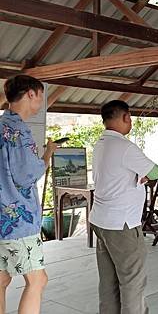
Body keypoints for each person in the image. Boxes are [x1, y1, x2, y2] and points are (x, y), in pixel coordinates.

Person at [90, 100, 158, 314]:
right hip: (122, 224)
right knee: (132, 282)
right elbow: (155, 172)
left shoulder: (100, 144)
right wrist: (145, 175)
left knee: (108, 281)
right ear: (125, 117)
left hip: (101, 221)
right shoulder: (125, 147)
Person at [0, 75, 57, 314]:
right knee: (37, 280)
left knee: (1, 280)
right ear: (31, 94)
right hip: (16, 220)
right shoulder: (19, 131)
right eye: (41, 95)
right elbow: (26, 175)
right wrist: (47, 155)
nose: (41, 101)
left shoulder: (2, 125)